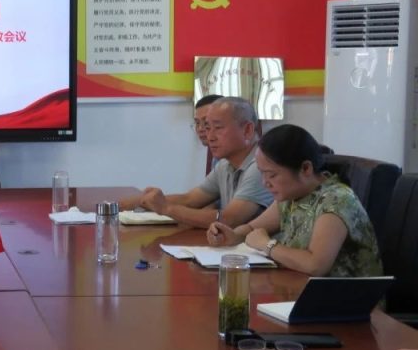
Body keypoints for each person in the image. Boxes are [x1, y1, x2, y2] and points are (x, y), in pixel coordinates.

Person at [206, 124, 382, 277]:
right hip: (298, 287)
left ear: (305, 168)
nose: (265, 182)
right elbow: (253, 229)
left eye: (272, 175)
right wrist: (232, 236)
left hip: (344, 299)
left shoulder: (336, 201)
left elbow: (315, 265)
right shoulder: (290, 196)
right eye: (262, 173)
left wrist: (268, 245)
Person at [119, 97, 272, 228]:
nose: (210, 137)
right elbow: (190, 199)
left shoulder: (261, 166)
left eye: (218, 128)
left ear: (247, 130)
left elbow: (229, 219)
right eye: (208, 128)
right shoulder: (224, 165)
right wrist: (137, 202)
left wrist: (166, 209)